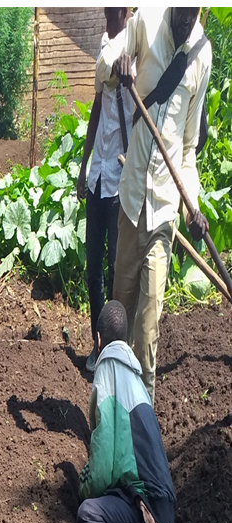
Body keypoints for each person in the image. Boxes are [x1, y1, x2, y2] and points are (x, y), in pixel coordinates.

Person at [110, 6, 212, 403]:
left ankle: (142, 419)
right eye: (181, 12)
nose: (185, 20)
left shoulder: (201, 54)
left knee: (148, 327)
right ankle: (109, 405)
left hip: (166, 206)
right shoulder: (145, 21)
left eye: (194, 13)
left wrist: (194, 205)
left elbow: (188, 149)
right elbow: (105, 63)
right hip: (132, 197)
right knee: (119, 313)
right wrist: (119, 61)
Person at [76, 301, 174, 523]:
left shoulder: (108, 371)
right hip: (162, 509)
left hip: (150, 518)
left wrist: (82, 485)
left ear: (99, 339)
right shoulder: (136, 378)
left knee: (90, 514)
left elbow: (103, 467)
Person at [77, 8, 135, 373]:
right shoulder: (104, 43)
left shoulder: (138, 42)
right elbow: (98, 105)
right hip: (99, 171)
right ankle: (99, 345)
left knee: (116, 269)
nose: (107, 17)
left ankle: (118, 351)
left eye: (112, 11)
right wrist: (83, 166)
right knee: (93, 267)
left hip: (121, 172)